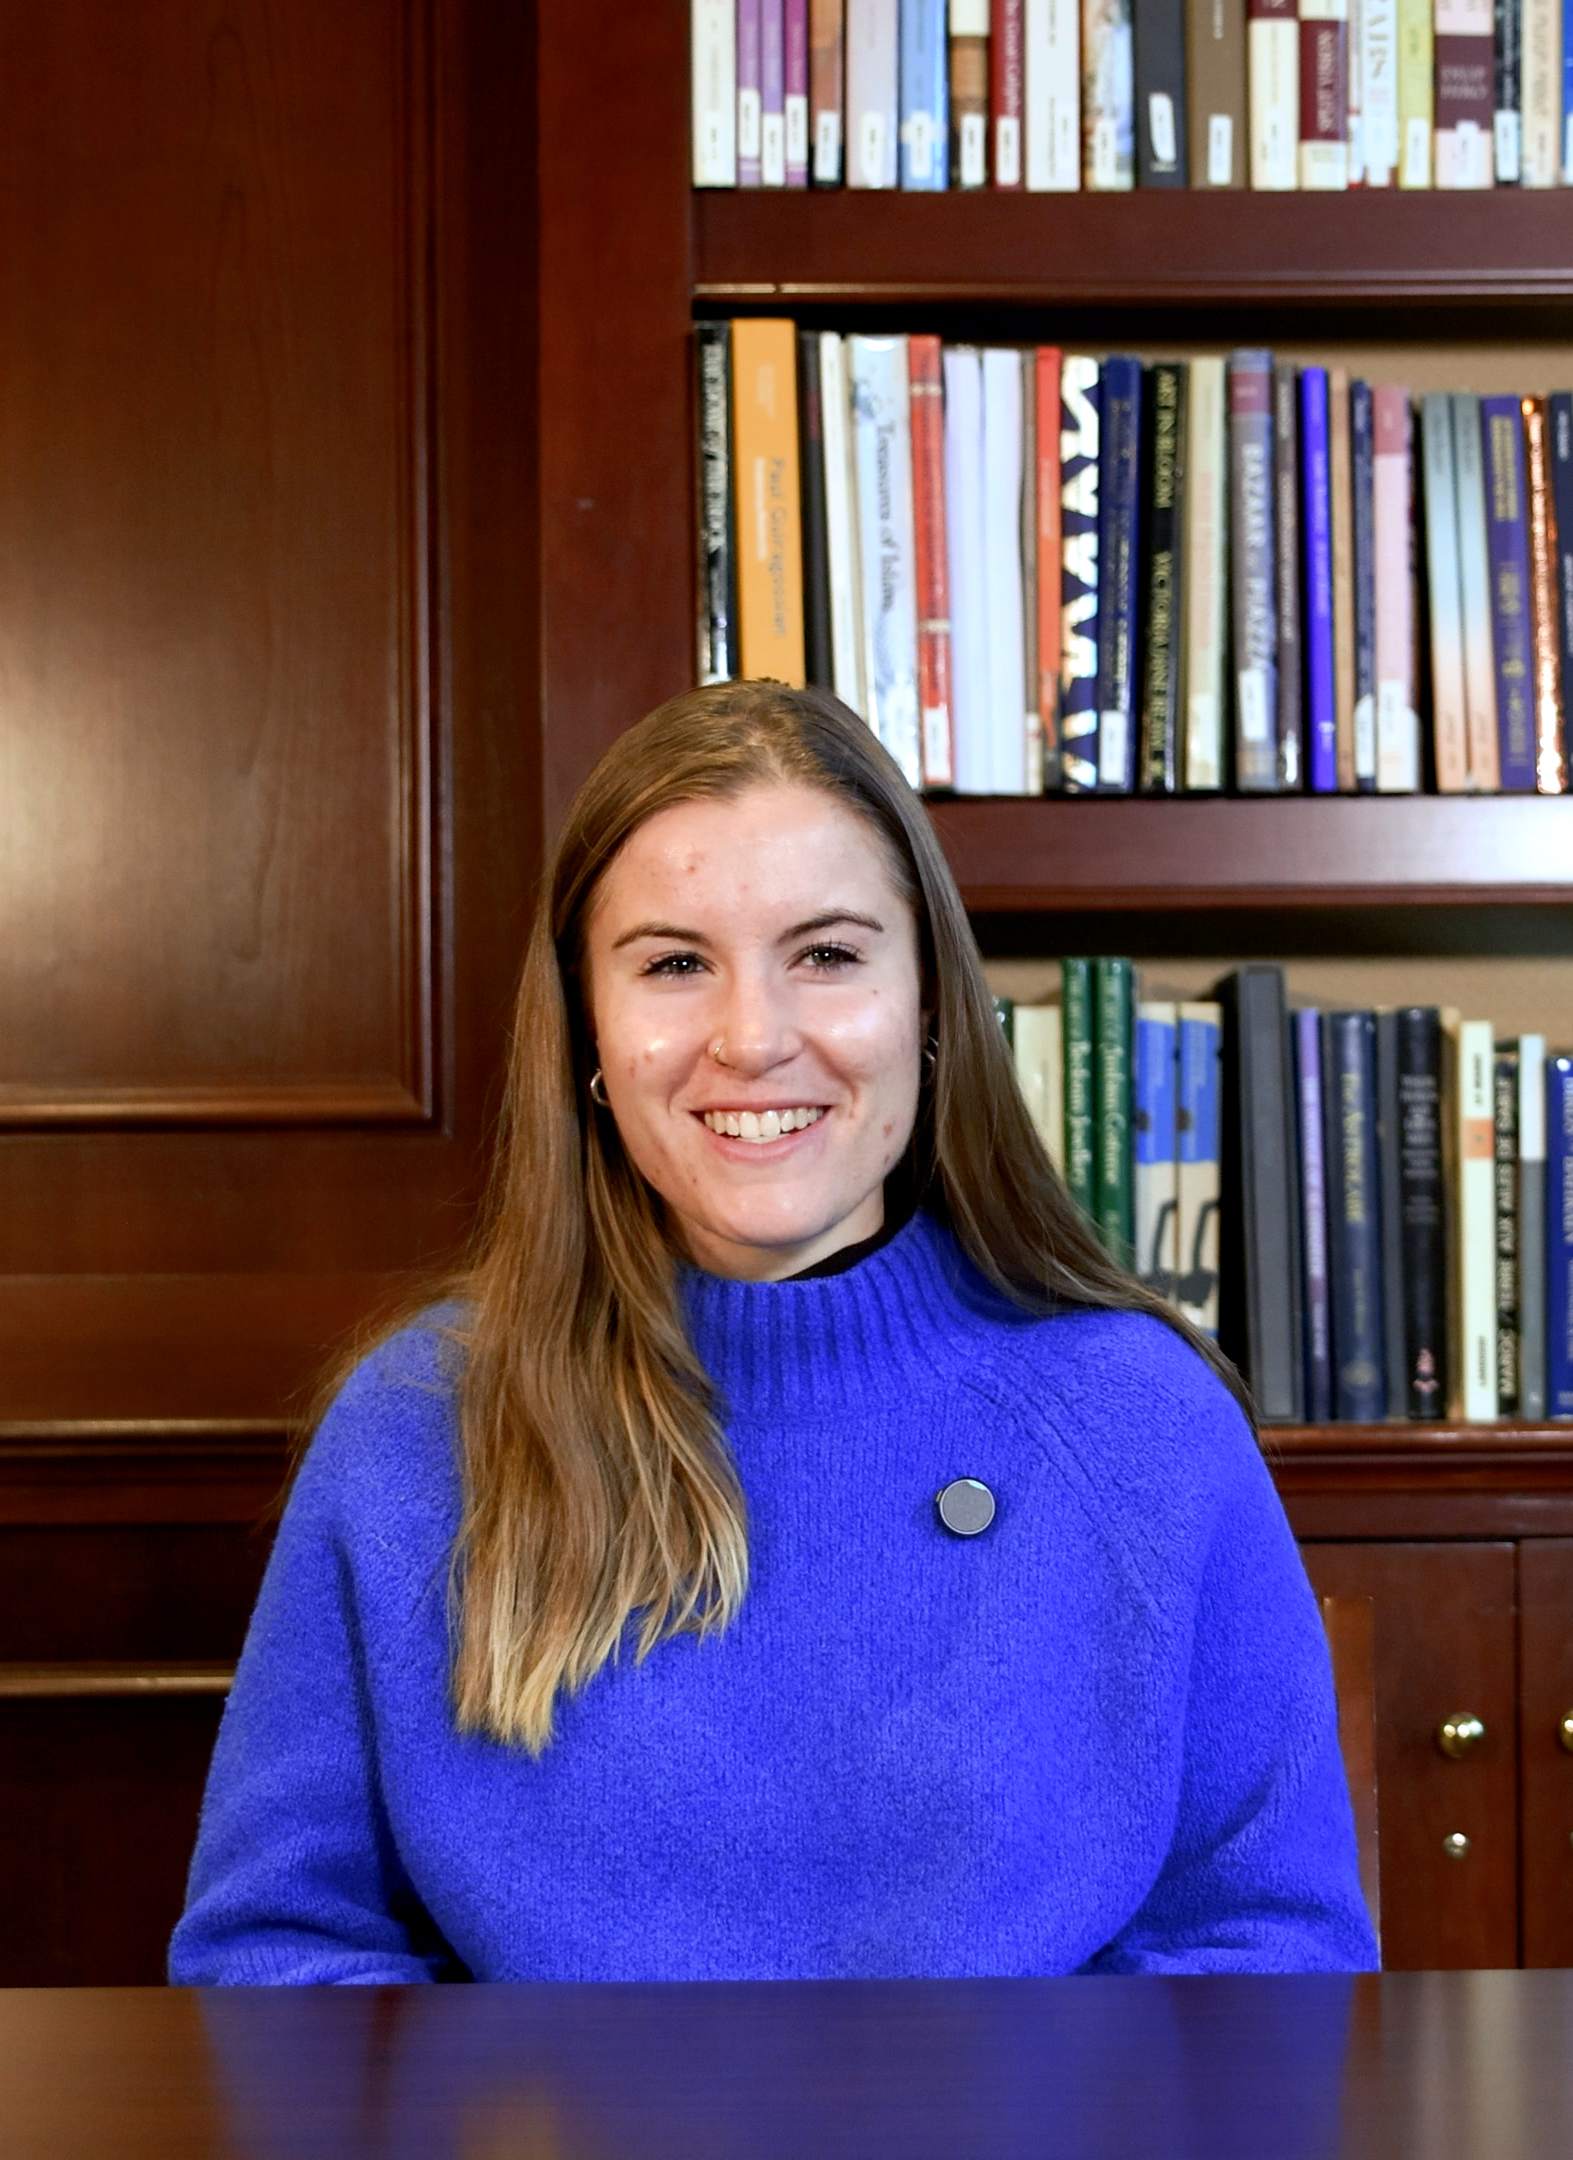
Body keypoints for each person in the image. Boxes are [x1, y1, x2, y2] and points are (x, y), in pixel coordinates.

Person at [169, 681, 1376, 1983]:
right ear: (587, 1027)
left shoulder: (1140, 1415)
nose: (753, 1039)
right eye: (675, 964)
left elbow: (1271, 1958)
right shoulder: (419, 1423)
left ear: (928, 1009)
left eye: (829, 954)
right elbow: (277, 1962)